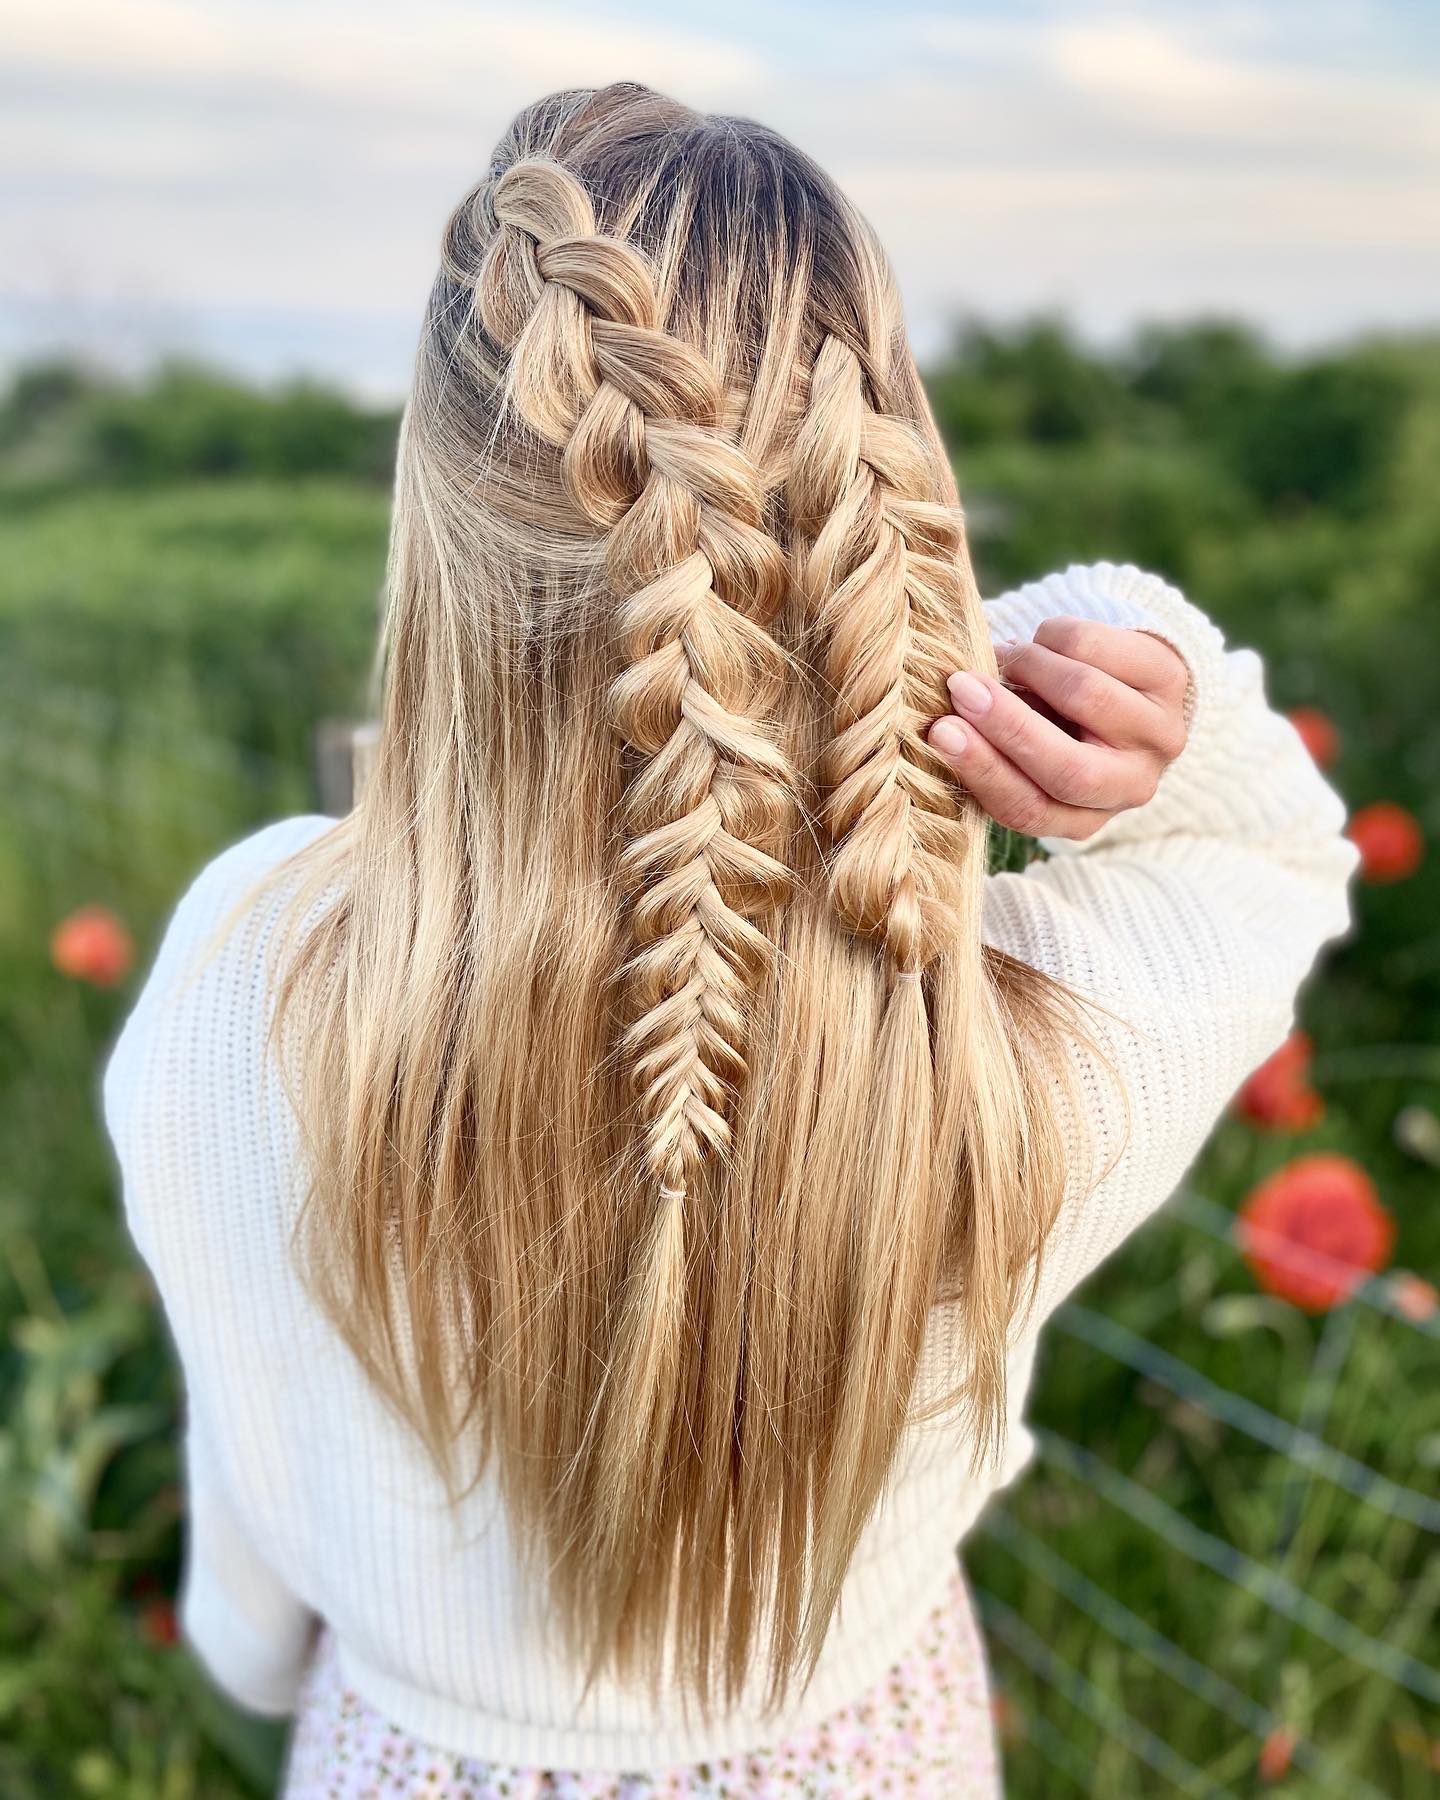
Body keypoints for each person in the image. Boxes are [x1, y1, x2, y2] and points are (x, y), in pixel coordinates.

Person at [100, 83, 1356, 1800]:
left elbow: (249, 1454)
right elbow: (1285, 856)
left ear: (449, 537)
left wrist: (259, 1660)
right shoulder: (1045, 1059)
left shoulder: (241, 972)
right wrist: (1087, 666)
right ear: (890, 493)